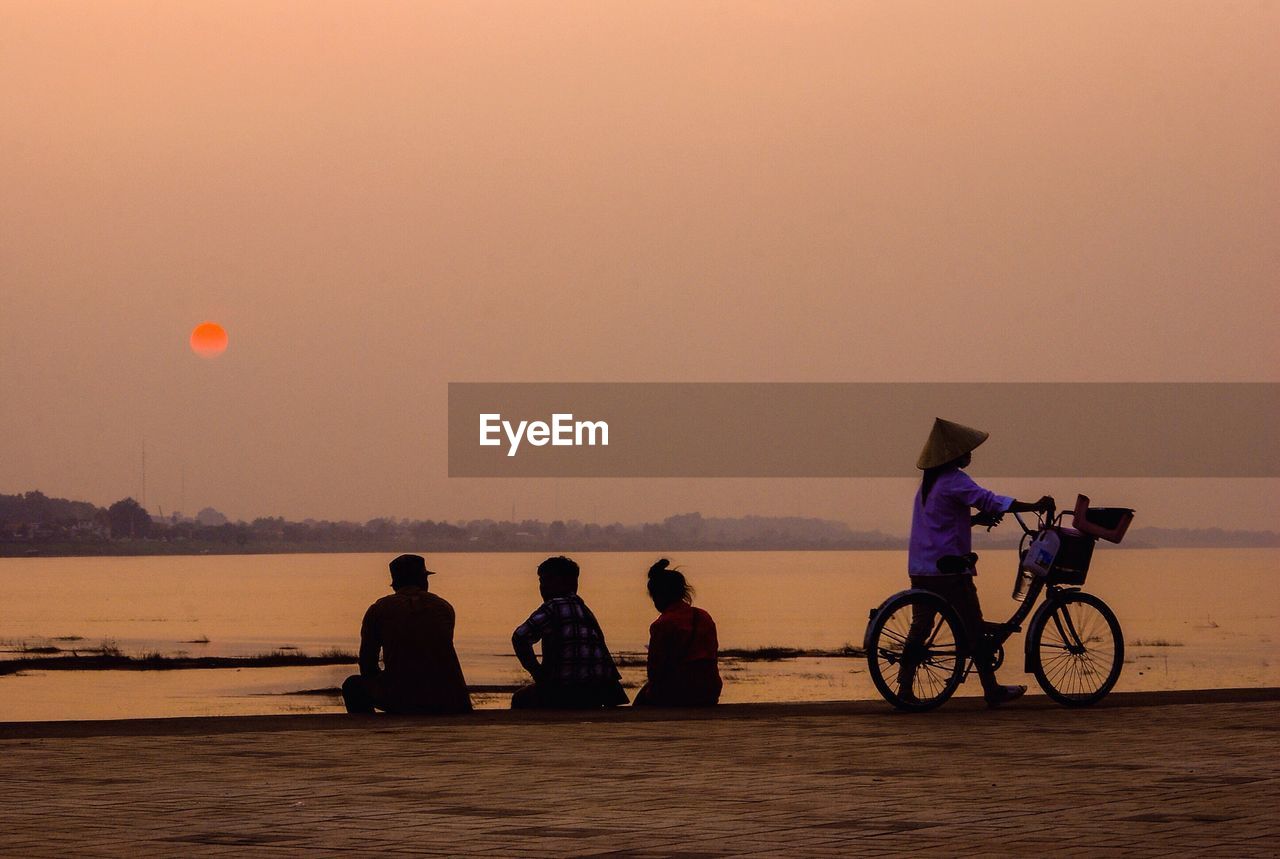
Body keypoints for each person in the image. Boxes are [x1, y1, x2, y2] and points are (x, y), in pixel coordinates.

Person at [904, 417, 1055, 707]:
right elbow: (989, 499)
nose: (970, 454)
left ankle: (904, 688)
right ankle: (992, 689)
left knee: (921, 626)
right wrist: (1034, 505)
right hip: (950, 570)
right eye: (966, 450)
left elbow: (942, 525)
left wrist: (973, 520)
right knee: (974, 629)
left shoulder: (930, 485)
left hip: (923, 568)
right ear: (953, 454)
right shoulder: (954, 480)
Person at [341, 554, 472, 715]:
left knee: (352, 686)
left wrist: (389, 679)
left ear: (395, 584)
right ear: (423, 581)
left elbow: (367, 663)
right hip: (450, 697)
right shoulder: (443, 607)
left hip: (403, 698)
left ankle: (369, 730)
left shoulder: (379, 609)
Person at [510, 555, 628, 709]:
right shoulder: (584, 610)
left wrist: (537, 673)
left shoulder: (553, 607)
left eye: (546, 581)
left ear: (564, 582)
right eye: (541, 582)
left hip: (564, 690)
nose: (542, 587)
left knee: (519, 699)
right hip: (599, 691)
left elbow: (519, 637)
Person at [633, 559, 722, 707]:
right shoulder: (703, 616)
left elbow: (655, 670)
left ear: (657, 596)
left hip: (679, 690)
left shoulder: (663, 624)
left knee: (639, 705)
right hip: (709, 689)